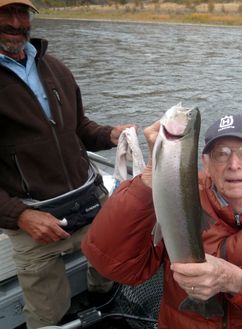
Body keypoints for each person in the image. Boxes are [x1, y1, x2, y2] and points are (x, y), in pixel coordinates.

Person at [82, 113, 242, 329]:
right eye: (222, 154)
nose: (233, 164)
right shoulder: (175, 194)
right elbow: (112, 265)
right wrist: (147, 183)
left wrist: (238, 282)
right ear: (205, 164)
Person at [0, 0, 134, 327]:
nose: (17, 23)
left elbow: (79, 127)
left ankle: (104, 308)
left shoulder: (56, 67)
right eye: (5, 13)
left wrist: (112, 134)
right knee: (47, 315)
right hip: (33, 220)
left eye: (23, 13)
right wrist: (21, 215)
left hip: (89, 203)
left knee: (108, 271)